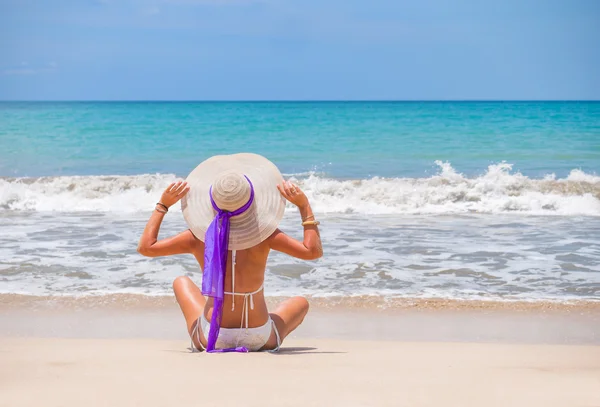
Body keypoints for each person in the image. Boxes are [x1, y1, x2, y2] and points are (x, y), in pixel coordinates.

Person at [137, 153, 322, 352]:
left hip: (211, 337)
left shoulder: (197, 237)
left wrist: (162, 206)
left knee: (181, 282)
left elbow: (146, 247)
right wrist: (304, 206)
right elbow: (312, 251)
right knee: (300, 303)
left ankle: (205, 334)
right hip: (259, 335)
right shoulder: (265, 235)